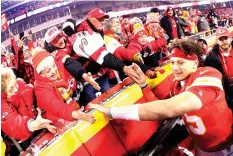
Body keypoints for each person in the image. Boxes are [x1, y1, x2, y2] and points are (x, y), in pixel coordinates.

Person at [90, 39, 233, 155]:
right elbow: (160, 110)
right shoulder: (178, 86)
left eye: (180, 62)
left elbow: (170, 108)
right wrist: (144, 85)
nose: (175, 68)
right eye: (172, 62)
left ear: (195, 64)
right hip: (203, 146)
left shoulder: (208, 73)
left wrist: (112, 111)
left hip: (225, 144)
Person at [32, 48, 96, 123]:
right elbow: (54, 105)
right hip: (57, 120)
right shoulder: (40, 87)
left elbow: (68, 61)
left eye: (53, 66)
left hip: (75, 108)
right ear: (41, 74)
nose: (53, 71)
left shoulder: (59, 67)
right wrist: (73, 114)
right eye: (48, 70)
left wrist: (83, 75)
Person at [1, 67, 56, 153]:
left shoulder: (21, 84)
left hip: (39, 122)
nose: (16, 89)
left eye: (15, 83)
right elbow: (14, 124)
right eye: (11, 89)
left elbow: (37, 95)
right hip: (24, 137)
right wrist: (32, 125)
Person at [205, 27, 233, 110]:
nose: (224, 41)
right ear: (217, 41)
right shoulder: (211, 58)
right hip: (226, 93)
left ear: (231, 39)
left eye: (226, 38)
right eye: (221, 39)